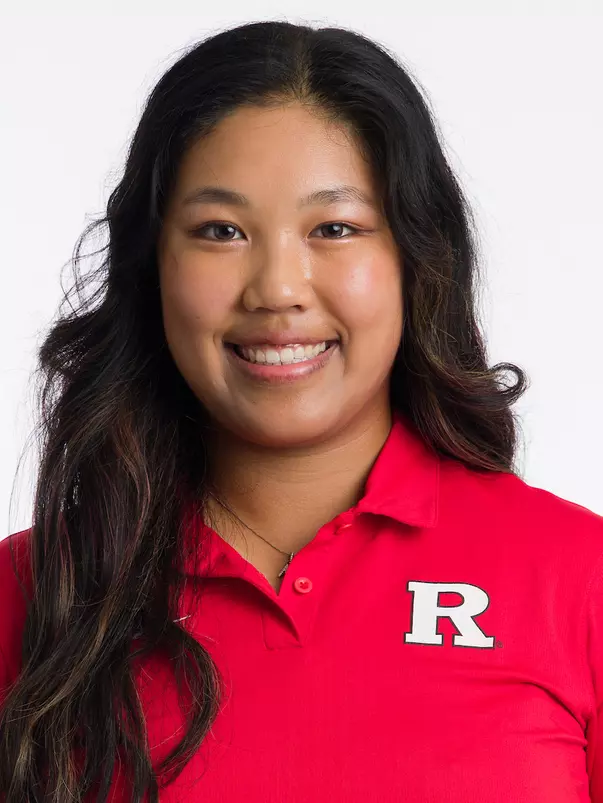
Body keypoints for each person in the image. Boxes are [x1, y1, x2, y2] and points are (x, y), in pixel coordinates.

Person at [0, 18, 602, 803]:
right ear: (152, 266)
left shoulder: (576, 576)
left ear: (415, 260)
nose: (278, 287)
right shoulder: (31, 591)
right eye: (220, 231)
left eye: (334, 228)